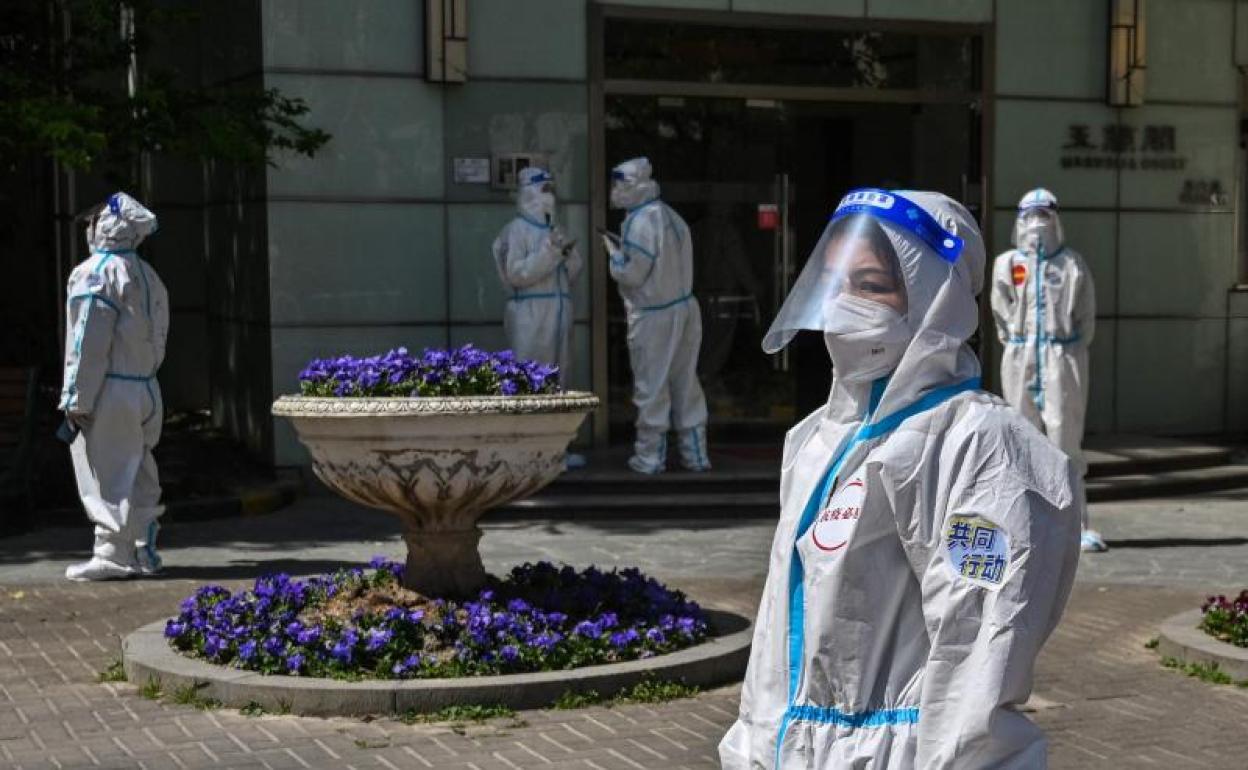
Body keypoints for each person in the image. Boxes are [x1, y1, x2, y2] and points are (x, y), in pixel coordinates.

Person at [720, 189, 1080, 768]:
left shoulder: (983, 448)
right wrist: (754, 746)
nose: (843, 306)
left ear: (934, 293)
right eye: (835, 282)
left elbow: (978, 656)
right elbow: (778, 638)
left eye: (869, 285)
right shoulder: (817, 441)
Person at [59, 192, 169, 582]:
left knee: (106, 470)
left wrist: (76, 397)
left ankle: (111, 553)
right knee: (138, 467)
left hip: (111, 389)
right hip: (145, 387)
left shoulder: (96, 272)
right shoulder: (147, 275)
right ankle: (143, 544)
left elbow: (88, 341)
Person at [990, 188, 1103, 552]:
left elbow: (1086, 319)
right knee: (1020, 439)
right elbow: (1000, 313)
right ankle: (1022, 522)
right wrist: (1018, 342)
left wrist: (1064, 348)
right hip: (1021, 356)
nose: (1036, 224)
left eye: (1043, 216)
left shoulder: (1071, 264)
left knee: (1064, 440)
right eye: (1029, 216)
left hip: (1062, 357)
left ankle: (1075, 525)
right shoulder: (1007, 264)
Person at [604, 157, 710, 474]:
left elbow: (634, 273)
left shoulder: (641, 221)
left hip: (654, 315)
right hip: (684, 309)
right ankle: (696, 455)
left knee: (652, 386)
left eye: (619, 184)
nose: (615, 191)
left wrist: (614, 257)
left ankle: (649, 457)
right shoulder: (670, 216)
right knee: (685, 383)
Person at [492, 167, 586, 468]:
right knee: (528, 380)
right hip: (530, 314)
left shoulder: (552, 228)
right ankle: (524, 451)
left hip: (558, 310)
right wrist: (550, 253)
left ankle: (555, 449)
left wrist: (567, 255)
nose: (550, 196)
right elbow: (517, 274)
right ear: (529, 193)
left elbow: (572, 272)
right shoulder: (515, 230)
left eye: (551, 190)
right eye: (544, 189)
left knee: (558, 381)